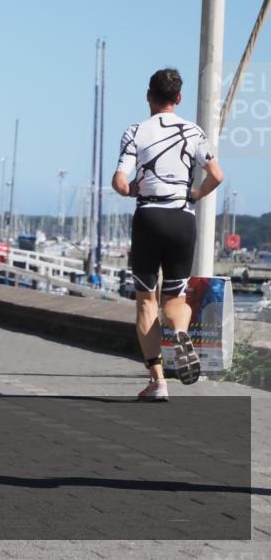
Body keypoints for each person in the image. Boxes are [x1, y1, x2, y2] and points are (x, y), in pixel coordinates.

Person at [112, 68, 224, 401]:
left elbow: (119, 181)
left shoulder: (135, 132)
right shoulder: (194, 131)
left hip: (148, 216)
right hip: (181, 218)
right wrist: (196, 194)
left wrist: (131, 189)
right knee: (175, 300)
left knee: (146, 302)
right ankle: (178, 332)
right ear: (179, 98)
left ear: (148, 96)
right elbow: (216, 174)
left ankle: (157, 381)